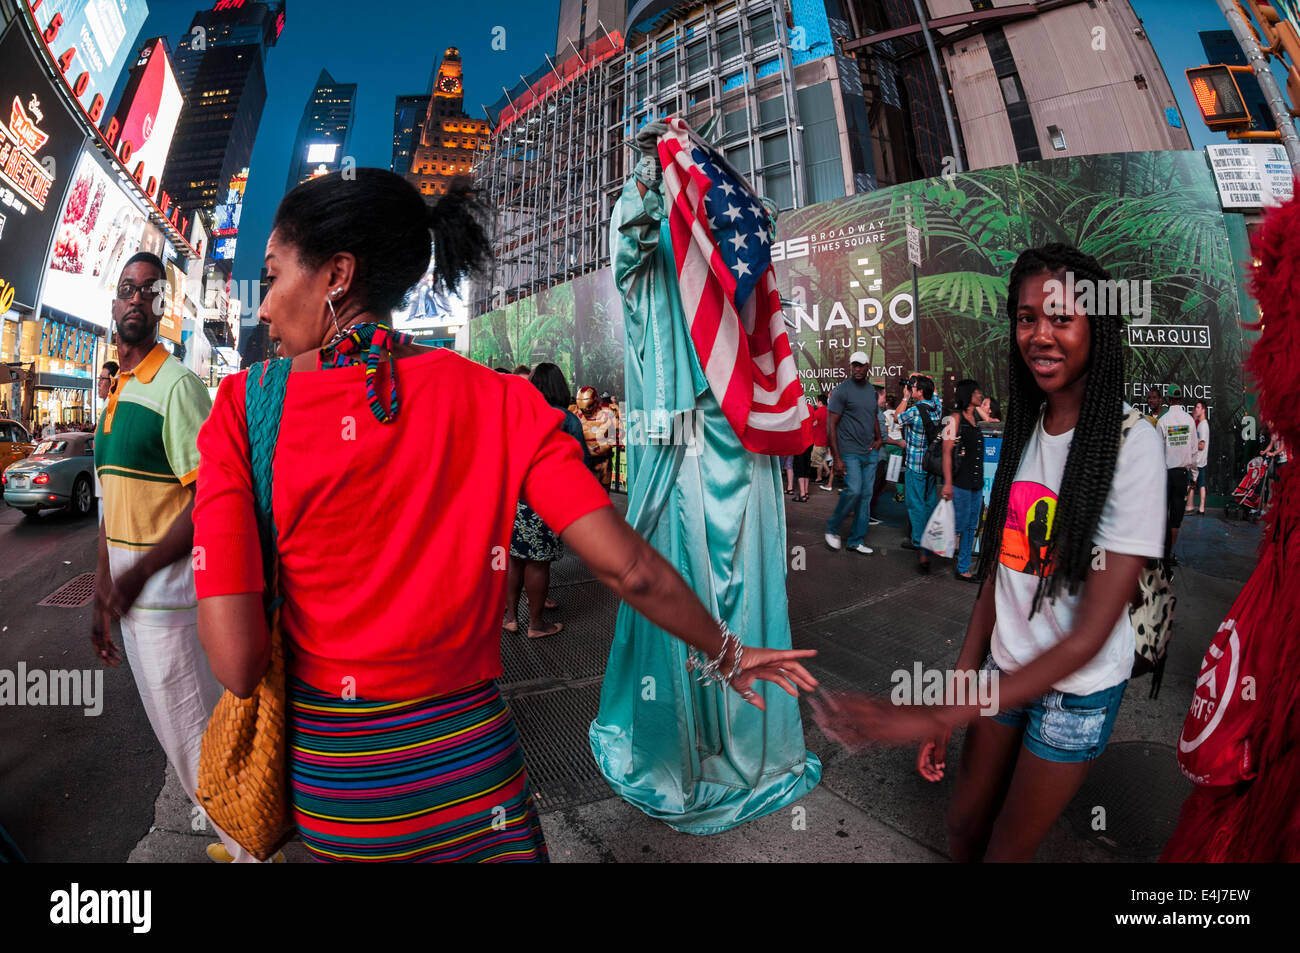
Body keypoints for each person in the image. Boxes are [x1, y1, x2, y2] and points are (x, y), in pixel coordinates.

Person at [192, 169, 819, 862]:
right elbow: (631, 569)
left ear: (337, 274)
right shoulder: (502, 400)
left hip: (343, 789)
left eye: (272, 276)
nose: (263, 308)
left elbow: (238, 665)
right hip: (474, 774)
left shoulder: (242, 409)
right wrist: (729, 653)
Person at [812, 244, 1165, 862]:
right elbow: (1000, 580)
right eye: (1027, 318)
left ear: (1098, 325)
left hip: (1076, 692)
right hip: (1004, 670)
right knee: (962, 824)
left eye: (1061, 316)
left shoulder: (1134, 445)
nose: (1040, 335)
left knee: (1006, 850)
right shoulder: (1025, 428)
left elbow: (1089, 636)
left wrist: (928, 715)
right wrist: (957, 694)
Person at [589, 119, 821, 833]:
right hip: (684, 444)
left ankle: (742, 736)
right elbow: (631, 248)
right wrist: (647, 178)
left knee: (744, 583)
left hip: (736, 443)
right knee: (680, 576)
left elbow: (748, 257)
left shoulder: (729, 236)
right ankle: (688, 742)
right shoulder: (654, 238)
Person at [90, 253, 254, 864]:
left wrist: (138, 574)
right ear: (114, 303)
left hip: (170, 606)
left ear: (163, 307)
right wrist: (102, 590)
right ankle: (237, 839)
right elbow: (110, 502)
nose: (136, 298)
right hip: (134, 605)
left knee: (195, 738)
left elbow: (213, 496)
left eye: (148, 290)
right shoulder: (118, 387)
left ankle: (253, 851)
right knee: (181, 736)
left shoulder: (179, 386)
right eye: (126, 289)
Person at [503, 362, 589, 638]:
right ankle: (536, 624)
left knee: (515, 559)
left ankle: (511, 618)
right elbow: (581, 462)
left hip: (517, 498)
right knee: (538, 563)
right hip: (547, 499)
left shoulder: (521, 413)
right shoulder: (567, 420)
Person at [825, 352, 883, 554]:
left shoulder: (871, 391)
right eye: (854, 365)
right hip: (849, 452)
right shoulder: (842, 390)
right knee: (854, 490)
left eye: (861, 365)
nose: (857, 369)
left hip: (870, 452)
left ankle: (855, 540)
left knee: (865, 496)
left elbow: (873, 416)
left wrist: (879, 438)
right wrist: (836, 458)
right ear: (851, 367)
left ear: (868, 366)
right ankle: (832, 528)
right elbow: (831, 425)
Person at [896, 374, 942, 573]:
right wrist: (926, 381)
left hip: (915, 465)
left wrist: (905, 397)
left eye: (914, 387)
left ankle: (922, 544)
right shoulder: (936, 407)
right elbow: (935, 394)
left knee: (916, 505)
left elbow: (897, 416)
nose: (911, 388)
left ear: (920, 391)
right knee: (929, 502)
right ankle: (931, 538)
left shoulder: (914, 411)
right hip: (931, 464)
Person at [943, 379, 986, 581]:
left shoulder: (974, 418)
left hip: (976, 482)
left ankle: (963, 568)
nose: (980, 395)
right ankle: (927, 549)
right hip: (960, 481)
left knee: (970, 526)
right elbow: (946, 452)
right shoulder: (955, 418)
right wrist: (948, 483)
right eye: (977, 393)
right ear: (969, 394)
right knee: (958, 525)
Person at [1156, 388, 1196, 561]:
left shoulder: (1163, 421)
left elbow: (1157, 451)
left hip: (1165, 474)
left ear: (1168, 400)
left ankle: (1159, 553)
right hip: (1181, 474)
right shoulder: (1189, 420)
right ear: (1181, 399)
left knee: (1161, 514)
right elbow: (1194, 451)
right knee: (1176, 517)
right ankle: (1170, 553)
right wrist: (1194, 475)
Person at [576, 385, 615, 488]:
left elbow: (614, 438)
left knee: (603, 492)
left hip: (604, 461)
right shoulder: (574, 413)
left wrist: (601, 448)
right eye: (582, 408)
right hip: (584, 462)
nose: (585, 410)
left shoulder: (608, 413)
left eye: (588, 407)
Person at [1186, 400, 1210, 515]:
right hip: (1199, 460)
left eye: (1198, 407)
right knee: (1200, 485)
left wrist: (1191, 443)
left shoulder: (1203, 425)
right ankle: (1200, 508)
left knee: (1194, 484)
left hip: (1198, 461)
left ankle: (1193, 507)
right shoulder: (1200, 424)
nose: (1196, 409)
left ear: (1203, 410)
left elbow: (1201, 445)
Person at [791, 395, 816, 502]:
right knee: (806, 466)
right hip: (810, 441)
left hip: (799, 442)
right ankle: (806, 491)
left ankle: (802, 494)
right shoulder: (810, 407)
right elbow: (815, 423)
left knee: (799, 467)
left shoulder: (795, 410)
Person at [811, 394, 832, 490]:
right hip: (827, 439)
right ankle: (827, 471)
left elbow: (813, 424)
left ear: (820, 402)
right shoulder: (829, 412)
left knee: (817, 460)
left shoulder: (817, 412)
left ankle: (819, 477)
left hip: (818, 440)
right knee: (822, 457)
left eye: (816, 401)